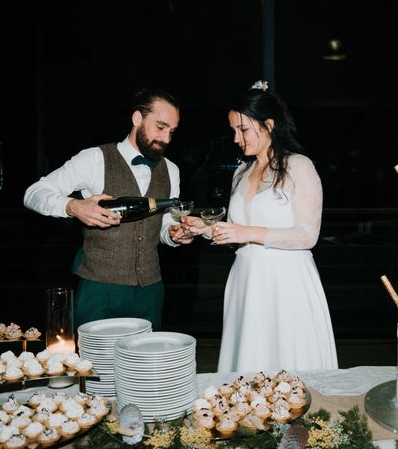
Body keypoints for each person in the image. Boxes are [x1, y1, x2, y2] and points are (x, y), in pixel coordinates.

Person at [183, 81, 338, 372]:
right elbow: (236, 231)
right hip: (247, 280)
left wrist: (246, 233)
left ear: (268, 125)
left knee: (289, 364)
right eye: (233, 130)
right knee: (249, 362)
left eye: (242, 129)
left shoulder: (299, 166)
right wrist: (204, 228)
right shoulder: (241, 172)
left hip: (287, 282)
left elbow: (308, 235)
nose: (236, 138)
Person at [24, 88, 193, 331]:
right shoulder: (94, 159)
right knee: (95, 367)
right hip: (99, 289)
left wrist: (175, 234)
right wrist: (73, 206)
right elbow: (33, 193)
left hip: (151, 290)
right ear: (137, 119)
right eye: (160, 127)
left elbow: (164, 225)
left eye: (172, 131)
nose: (166, 138)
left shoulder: (172, 170)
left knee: (144, 366)